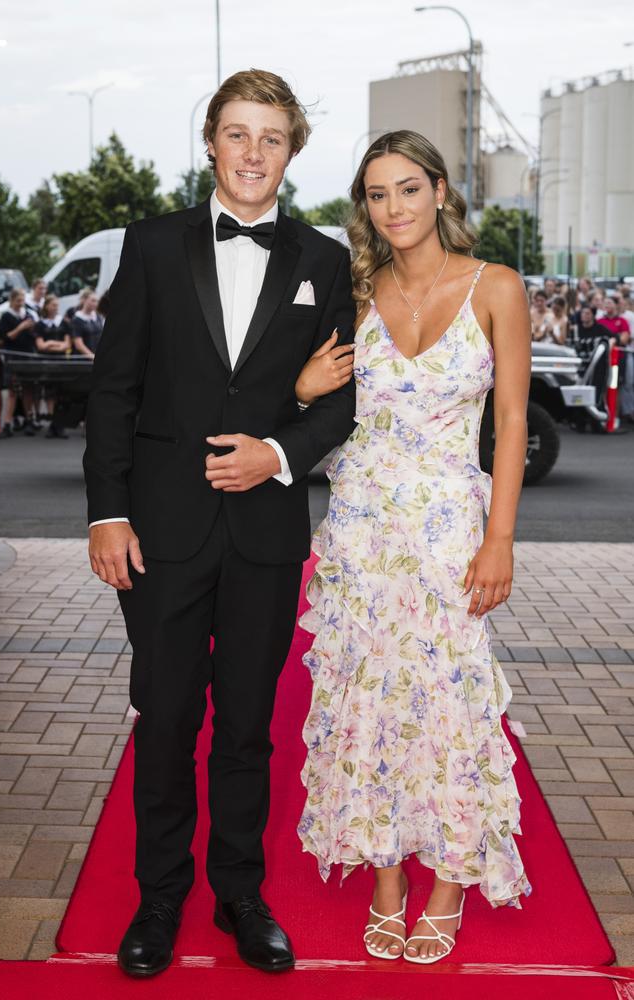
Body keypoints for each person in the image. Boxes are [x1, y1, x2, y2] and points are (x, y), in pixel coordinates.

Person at [83, 69, 356, 978]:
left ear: (293, 149)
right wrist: (107, 513)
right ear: (211, 141)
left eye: (271, 137)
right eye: (237, 134)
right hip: (160, 530)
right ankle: (159, 898)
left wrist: (277, 454)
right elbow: (114, 391)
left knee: (246, 724)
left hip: (267, 534)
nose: (252, 152)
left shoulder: (323, 260)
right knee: (165, 718)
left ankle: (241, 892)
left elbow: (337, 402)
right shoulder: (153, 245)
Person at [296, 130, 532, 965]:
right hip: (362, 530)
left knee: (448, 703)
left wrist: (500, 537)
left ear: (440, 191)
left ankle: (449, 881)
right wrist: (300, 387)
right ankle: (388, 882)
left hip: (448, 533)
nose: (392, 208)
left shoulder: (496, 287)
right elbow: (310, 401)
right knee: (371, 703)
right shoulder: (351, 294)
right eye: (375, 194)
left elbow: (509, 424)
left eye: (407, 189)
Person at [0, 288, 38, 438]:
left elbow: (33, 336)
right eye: (18, 301)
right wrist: (21, 327)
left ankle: (29, 419)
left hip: (27, 355)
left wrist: (32, 328)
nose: (21, 303)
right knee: (13, 391)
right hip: (13, 357)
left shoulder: (28, 314)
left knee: (28, 389)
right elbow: (8, 337)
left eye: (22, 300)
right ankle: (7, 423)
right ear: (12, 301)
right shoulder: (6, 317)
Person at [34, 293, 71, 439]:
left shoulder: (64, 323)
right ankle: (51, 422)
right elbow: (40, 345)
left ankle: (59, 423)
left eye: (57, 305)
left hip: (61, 361)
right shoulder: (40, 324)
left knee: (62, 392)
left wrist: (50, 344)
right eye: (53, 305)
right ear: (47, 306)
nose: (56, 308)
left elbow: (67, 345)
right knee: (49, 392)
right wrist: (55, 345)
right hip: (46, 362)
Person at [72, 290, 103, 356]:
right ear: (84, 300)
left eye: (97, 301)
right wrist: (92, 357)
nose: (96, 303)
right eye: (93, 301)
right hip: (84, 361)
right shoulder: (77, 319)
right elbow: (79, 345)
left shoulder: (98, 316)